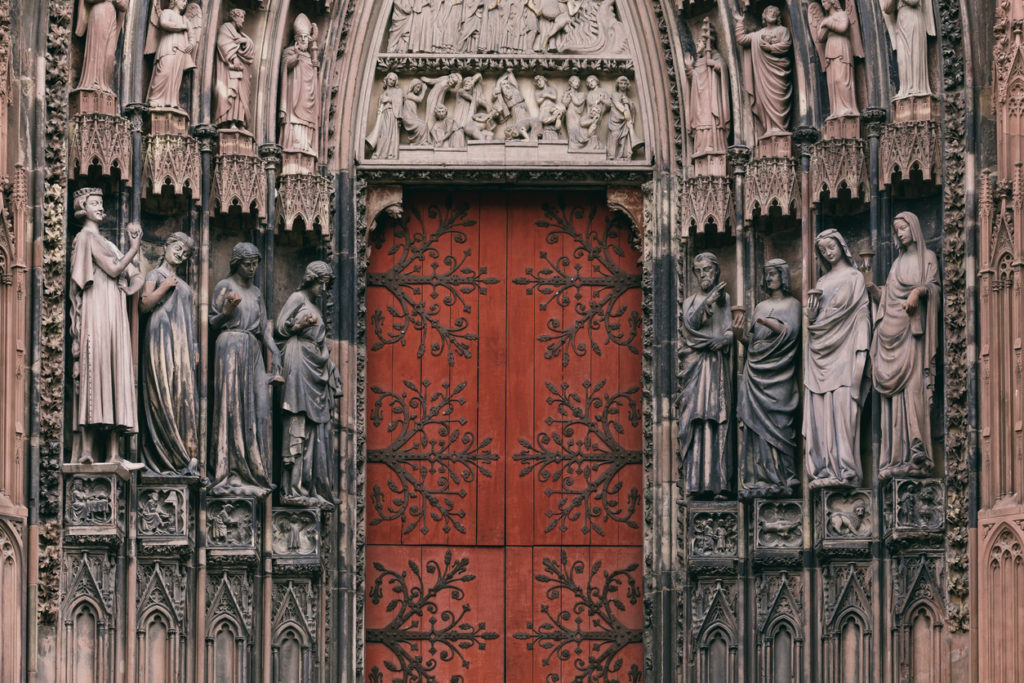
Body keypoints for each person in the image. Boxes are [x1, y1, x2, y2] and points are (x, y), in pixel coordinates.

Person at [68, 188, 142, 463]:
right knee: (94, 372)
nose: (101, 207)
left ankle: (114, 454)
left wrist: (129, 286)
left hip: (113, 313)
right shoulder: (86, 237)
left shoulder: (108, 243)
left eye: (101, 203)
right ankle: (87, 451)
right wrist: (134, 248)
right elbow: (114, 269)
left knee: (113, 374)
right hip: (97, 310)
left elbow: (135, 276)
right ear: (82, 207)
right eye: (94, 203)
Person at [869, 212, 940, 480]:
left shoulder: (928, 258)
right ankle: (894, 456)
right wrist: (873, 291)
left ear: (914, 227)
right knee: (893, 399)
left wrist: (918, 291)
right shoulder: (897, 262)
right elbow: (887, 298)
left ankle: (918, 448)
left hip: (914, 333)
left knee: (914, 390)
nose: (899, 233)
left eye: (903, 228)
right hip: (892, 334)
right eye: (896, 229)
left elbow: (934, 289)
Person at [209, 242, 281, 496]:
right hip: (229, 346)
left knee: (258, 409)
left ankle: (254, 470)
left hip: (253, 351)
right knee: (231, 407)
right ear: (236, 262)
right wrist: (227, 311)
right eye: (247, 264)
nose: (251, 269)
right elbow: (212, 322)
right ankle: (229, 471)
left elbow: (265, 329)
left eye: (255, 264)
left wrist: (275, 351)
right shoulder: (224, 286)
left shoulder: (257, 292)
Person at [804, 229, 871, 489]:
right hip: (820, 353)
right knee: (822, 412)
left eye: (831, 246)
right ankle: (824, 468)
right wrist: (811, 317)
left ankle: (847, 469)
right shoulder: (821, 283)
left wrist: (861, 352)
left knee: (844, 409)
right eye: (822, 250)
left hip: (846, 349)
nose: (828, 253)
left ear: (842, 245)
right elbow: (816, 321)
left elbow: (862, 314)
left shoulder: (855, 277)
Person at [276, 262, 343, 506]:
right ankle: (293, 489)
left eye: (327, 284)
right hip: (298, 361)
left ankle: (311, 486)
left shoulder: (315, 306)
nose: (323, 288)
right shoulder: (297, 298)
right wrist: (301, 325)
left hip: (315, 365)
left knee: (315, 427)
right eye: (320, 282)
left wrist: (328, 362)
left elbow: (321, 342)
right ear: (310, 279)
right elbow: (280, 329)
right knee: (297, 418)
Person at [736, 259, 801, 498]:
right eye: (766, 274)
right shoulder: (761, 306)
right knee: (756, 427)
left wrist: (767, 323)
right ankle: (761, 478)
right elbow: (752, 341)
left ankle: (787, 476)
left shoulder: (793, 305)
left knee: (781, 424)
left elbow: (792, 334)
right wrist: (740, 335)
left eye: (773, 274)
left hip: (780, 372)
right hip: (756, 370)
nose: (769, 278)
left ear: (783, 276)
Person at [140, 232, 199, 475]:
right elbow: (144, 305)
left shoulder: (185, 287)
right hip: (159, 337)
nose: (180, 254)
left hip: (181, 343)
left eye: (185, 253)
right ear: (166, 245)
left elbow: (190, 320)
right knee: (160, 391)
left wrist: (194, 347)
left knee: (181, 395)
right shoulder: (155, 275)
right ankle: (161, 455)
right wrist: (165, 286)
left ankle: (183, 455)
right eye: (177, 247)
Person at [679, 253, 733, 495]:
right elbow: (690, 327)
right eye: (698, 271)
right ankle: (693, 481)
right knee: (695, 418)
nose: (703, 275)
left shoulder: (725, 300)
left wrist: (724, 339)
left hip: (716, 366)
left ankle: (719, 482)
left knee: (716, 417)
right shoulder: (690, 301)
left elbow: (731, 330)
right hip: (695, 366)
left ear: (716, 272)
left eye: (708, 270)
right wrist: (708, 302)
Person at [734, 5, 793, 139]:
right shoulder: (757, 35)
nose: (771, 14)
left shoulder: (782, 30)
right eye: (768, 12)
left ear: (778, 17)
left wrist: (771, 47)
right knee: (763, 100)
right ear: (764, 17)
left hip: (778, 73)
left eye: (774, 12)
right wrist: (739, 23)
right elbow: (741, 40)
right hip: (762, 76)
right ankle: (769, 128)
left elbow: (786, 45)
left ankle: (780, 128)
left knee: (778, 101)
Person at [684, 18, 731, 159]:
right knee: (700, 123)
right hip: (699, 100)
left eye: (699, 43)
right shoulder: (698, 62)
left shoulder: (715, 57)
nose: (697, 45)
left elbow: (722, 68)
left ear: (706, 45)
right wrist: (689, 69)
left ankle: (713, 145)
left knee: (711, 120)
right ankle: (701, 147)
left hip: (711, 99)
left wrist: (715, 65)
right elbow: (694, 77)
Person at [809, 0, 862, 118]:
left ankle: (848, 108)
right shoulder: (826, 19)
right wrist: (826, 24)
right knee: (832, 81)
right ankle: (836, 111)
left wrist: (828, 24)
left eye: (825, 1)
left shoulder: (842, 14)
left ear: (832, 2)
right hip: (830, 47)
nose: (823, 5)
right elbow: (820, 37)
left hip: (841, 46)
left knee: (841, 79)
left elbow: (843, 28)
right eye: (822, 2)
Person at [144, 0, 199, 110]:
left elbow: (192, 36)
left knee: (175, 78)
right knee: (164, 71)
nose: (185, 4)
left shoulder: (185, 20)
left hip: (180, 51)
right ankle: (155, 99)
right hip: (167, 47)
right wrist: (181, 27)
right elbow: (164, 23)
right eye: (182, 1)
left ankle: (171, 101)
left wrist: (191, 44)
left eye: (186, 2)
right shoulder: (167, 12)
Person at [279, 14, 320, 156]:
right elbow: (286, 67)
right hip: (294, 96)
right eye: (300, 37)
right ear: (295, 39)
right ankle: (293, 143)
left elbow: (313, 79)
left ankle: (306, 144)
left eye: (306, 37)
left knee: (307, 121)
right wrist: (296, 56)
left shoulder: (310, 57)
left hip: (307, 97)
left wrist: (315, 66)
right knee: (295, 119)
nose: (303, 40)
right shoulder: (289, 52)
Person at [880, 0, 934, 97]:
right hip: (900, 19)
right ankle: (904, 89)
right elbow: (887, 9)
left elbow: (913, 1)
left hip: (913, 17)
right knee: (902, 58)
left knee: (914, 54)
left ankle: (916, 87)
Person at [74, 0, 129, 93]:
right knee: (97, 51)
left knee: (110, 54)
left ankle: (105, 85)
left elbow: (124, 6)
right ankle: (93, 82)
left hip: (112, 17)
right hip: (99, 12)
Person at [214, 9, 255, 129]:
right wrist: (233, 57)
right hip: (231, 71)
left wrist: (245, 41)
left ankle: (240, 121)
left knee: (242, 98)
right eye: (241, 17)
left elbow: (251, 51)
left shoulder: (242, 35)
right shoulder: (225, 28)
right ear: (235, 17)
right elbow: (223, 43)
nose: (243, 20)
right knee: (233, 93)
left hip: (242, 71)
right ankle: (231, 121)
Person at [366, 72, 404, 159]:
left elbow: (399, 102)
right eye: (390, 79)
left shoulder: (398, 91)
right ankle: (379, 153)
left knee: (387, 134)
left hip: (391, 115)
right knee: (381, 133)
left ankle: (386, 154)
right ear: (386, 80)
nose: (391, 81)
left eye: (394, 80)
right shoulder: (383, 93)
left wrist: (389, 99)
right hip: (383, 115)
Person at [607, 76, 641, 160]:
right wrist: (625, 110)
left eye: (625, 84)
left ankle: (623, 155)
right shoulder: (615, 94)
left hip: (625, 122)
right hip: (615, 120)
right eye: (621, 83)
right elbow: (617, 104)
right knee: (614, 136)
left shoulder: (628, 99)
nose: (623, 85)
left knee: (624, 139)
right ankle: (612, 155)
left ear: (627, 85)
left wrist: (628, 104)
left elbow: (633, 109)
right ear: (617, 85)